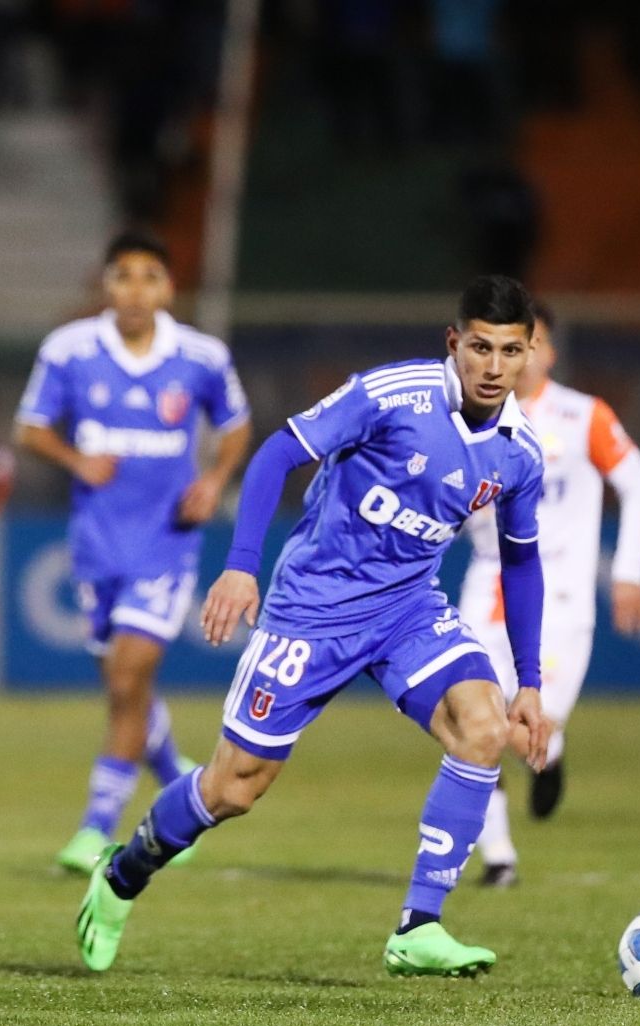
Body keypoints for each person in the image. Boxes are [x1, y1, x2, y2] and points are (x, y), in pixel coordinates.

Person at [75, 275, 552, 976]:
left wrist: (531, 681)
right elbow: (277, 453)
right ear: (454, 343)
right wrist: (242, 564)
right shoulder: (393, 397)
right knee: (234, 787)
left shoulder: (519, 454)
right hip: (313, 610)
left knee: (482, 727)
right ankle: (122, 875)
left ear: (529, 354)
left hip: (409, 610)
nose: (493, 366)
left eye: (510, 351)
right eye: (479, 347)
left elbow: (522, 562)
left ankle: (419, 925)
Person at [16, 231, 251, 874]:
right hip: (96, 547)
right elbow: (29, 427)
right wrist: (74, 459)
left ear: (169, 288)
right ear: (106, 285)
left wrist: (212, 480)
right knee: (126, 691)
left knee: (127, 682)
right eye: (123, 276)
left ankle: (95, 830)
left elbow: (236, 425)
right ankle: (179, 784)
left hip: (166, 546)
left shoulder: (200, 356)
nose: (137, 290)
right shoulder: (70, 350)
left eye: (151, 276)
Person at [457, 301, 640, 885]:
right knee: (477, 723)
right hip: (486, 584)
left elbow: (637, 483)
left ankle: (553, 756)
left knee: (529, 732)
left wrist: (630, 569)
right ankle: (499, 858)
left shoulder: (582, 415)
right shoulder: (470, 417)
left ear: (548, 351)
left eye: (531, 343)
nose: (520, 357)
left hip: (561, 594)